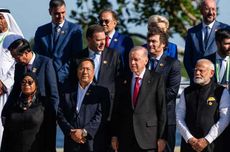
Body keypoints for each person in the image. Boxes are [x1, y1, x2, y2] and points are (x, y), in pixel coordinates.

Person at [70, 24, 122, 152]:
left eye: (104, 39)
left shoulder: (114, 55)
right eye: (98, 40)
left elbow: (119, 83)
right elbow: (72, 85)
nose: (102, 43)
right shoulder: (78, 58)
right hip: (85, 115)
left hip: (108, 113)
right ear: (88, 39)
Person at [3, 38, 59, 152]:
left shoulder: (46, 62)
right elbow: (15, 92)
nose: (15, 60)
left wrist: (53, 116)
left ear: (26, 52)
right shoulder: (19, 67)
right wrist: (6, 111)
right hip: (25, 116)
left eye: (16, 57)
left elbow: (53, 93)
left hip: (43, 115)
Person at [111, 46, 167, 152]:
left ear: (146, 60)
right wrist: (114, 135)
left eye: (136, 59)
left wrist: (162, 137)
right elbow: (116, 110)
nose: (132, 63)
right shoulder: (122, 79)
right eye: (130, 59)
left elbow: (162, 110)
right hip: (125, 138)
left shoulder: (156, 79)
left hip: (148, 139)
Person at [176, 59, 230, 152]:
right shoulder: (187, 92)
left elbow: (225, 118)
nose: (197, 73)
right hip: (189, 145)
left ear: (211, 73)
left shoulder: (221, 92)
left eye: (201, 70)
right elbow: (179, 117)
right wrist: (189, 138)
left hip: (213, 145)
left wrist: (207, 139)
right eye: (196, 70)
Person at [57, 58, 110, 152]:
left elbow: (101, 115)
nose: (85, 72)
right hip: (71, 142)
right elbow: (60, 113)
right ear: (77, 71)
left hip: (91, 142)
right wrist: (71, 132)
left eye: (88, 69)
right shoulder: (67, 91)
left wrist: (84, 132)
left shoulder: (101, 91)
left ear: (93, 72)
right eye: (82, 69)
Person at [34, 0, 83, 90]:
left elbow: (76, 57)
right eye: (57, 13)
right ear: (50, 12)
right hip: (45, 82)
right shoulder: (41, 31)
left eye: (63, 12)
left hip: (66, 81)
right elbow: (37, 57)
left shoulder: (75, 30)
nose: (60, 16)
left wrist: (59, 75)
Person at [147, 27, 181, 152]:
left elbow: (172, 92)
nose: (150, 44)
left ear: (163, 44)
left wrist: (147, 100)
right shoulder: (143, 62)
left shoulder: (173, 64)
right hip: (145, 120)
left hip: (165, 119)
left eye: (154, 41)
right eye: (149, 41)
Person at [1, 72, 49, 152]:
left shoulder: (44, 105)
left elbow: (49, 133)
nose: (26, 84)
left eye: (30, 82)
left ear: (36, 85)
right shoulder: (13, 104)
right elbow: (6, 134)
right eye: (23, 82)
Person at [183, 0, 229, 81]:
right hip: (197, 83)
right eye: (207, 9)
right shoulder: (192, 32)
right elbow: (187, 59)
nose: (211, 12)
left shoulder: (226, 29)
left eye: (213, 9)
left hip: (218, 82)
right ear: (201, 11)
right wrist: (196, 77)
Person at [0, 8, 23, 146]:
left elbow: (18, 64)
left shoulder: (14, 38)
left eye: (1, 17)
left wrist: (4, 83)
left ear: (7, 19)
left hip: (6, 90)